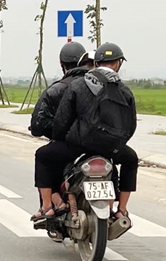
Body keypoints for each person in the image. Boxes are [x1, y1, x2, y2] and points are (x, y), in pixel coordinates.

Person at [51, 42, 139, 221]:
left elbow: (62, 120)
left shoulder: (78, 85)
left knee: (46, 156)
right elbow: (131, 126)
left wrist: (60, 138)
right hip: (111, 148)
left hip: (79, 145)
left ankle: (52, 205)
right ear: (118, 64)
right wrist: (117, 144)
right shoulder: (124, 90)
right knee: (131, 160)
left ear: (96, 63)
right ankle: (122, 210)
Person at [29, 43, 96, 220]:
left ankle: (48, 206)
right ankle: (117, 208)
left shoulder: (57, 89)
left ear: (61, 64)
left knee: (44, 156)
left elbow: (39, 123)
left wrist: (58, 132)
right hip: (100, 144)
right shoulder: (99, 86)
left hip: (71, 145)